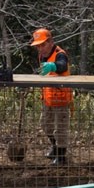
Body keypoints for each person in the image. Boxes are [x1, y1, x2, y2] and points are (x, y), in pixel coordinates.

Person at [30, 28, 73, 166]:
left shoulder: (60, 54)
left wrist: (53, 66)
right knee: (45, 125)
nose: (40, 49)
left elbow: (62, 66)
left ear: (51, 42)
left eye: (43, 45)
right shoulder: (42, 56)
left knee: (60, 129)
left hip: (61, 99)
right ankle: (55, 148)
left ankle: (61, 157)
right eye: (38, 46)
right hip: (48, 98)